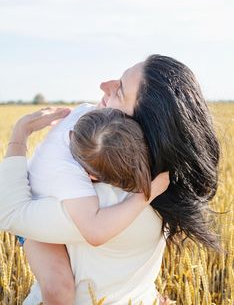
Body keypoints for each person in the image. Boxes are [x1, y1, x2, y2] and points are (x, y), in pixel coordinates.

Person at [0, 54, 220, 304]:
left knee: (56, 286)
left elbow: (8, 212)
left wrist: (19, 134)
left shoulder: (105, 204)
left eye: (120, 90)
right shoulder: (167, 188)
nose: (105, 85)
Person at [23, 105, 169, 305]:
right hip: (30, 208)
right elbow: (95, 232)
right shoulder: (66, 175)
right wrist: (146, 195)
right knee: (58, 289)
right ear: (91, 176)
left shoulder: (90, 113)